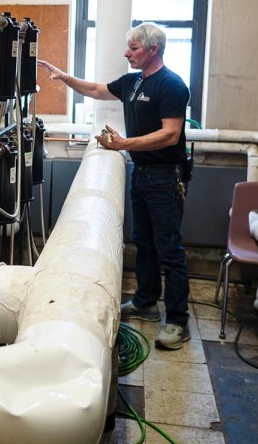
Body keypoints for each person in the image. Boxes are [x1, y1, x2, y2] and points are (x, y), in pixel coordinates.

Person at [38, 23, 192, 350]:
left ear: (153, 49)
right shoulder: (133, 82)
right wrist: (65, 77)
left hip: (166, 176)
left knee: (170, 248)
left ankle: (178, 321)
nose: (127, 53)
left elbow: (171, 134)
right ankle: (147, 302)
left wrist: (123, 143)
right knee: (144, 242)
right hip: (143, 173)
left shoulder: (172, 85)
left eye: (133, 48)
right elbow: (96, 90)